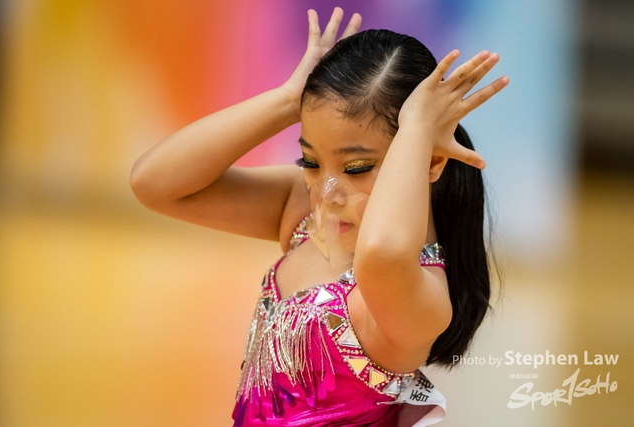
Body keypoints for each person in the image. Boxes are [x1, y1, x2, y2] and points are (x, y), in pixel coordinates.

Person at [130, 6, 508, 427]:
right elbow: (155, 183)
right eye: (310, 161)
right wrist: (288, 101)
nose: (326, 192)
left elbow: (382, 253)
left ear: (431, 160)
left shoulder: (420, 296)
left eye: (357, 168)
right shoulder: (308, 214)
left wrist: (418, 128)